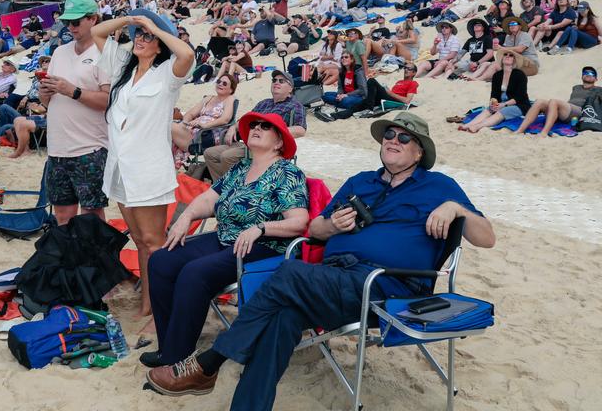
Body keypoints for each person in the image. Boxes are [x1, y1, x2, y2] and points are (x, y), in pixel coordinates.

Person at [145, 112, 495, 408]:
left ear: (419, 153)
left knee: (290, 272)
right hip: (335, 280)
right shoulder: (361, 182)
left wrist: (457, 208)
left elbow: (487, 238)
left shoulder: (438, 186)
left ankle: (209, 362)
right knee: (282, 315)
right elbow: (314, 228)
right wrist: (332, 224)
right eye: (389, 134)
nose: (393, 140)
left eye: (405, 138)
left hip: (388, 286)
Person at [142, 113, 308, 367]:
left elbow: (299, 221)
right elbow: (209, 199)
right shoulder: (240, 168)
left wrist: (261, 228)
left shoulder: (286, 173)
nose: (257, 128)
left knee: (194, 273)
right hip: (225, 239)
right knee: (162, 260)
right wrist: (186, 216)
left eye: (266, 127)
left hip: (262, 247)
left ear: (278, 143)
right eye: (254, 124)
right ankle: (168, 345)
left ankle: (178, 355)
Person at [91, 9, 195, 316]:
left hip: (149, 170)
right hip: (122, 168)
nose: (141, 39)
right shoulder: (125, 68)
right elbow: (97, 33)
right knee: (138, 240)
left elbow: (187, 53)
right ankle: (149, 304)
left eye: (148, 37)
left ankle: (156, 307)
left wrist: (155, 27)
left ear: (160, 44)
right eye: (139, 35)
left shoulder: (167, 76)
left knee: (153, 243)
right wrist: (129, 21)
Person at [38, 0, 112, 227]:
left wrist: (73, 91)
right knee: (62, 214)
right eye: (68, 22)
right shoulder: (60, 52)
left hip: (90, 147)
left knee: (91, 214)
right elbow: (48, 103)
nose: (71, 27)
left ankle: (96, 263)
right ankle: (71, 263)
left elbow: (109, 100)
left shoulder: (106, 53)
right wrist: (46, 92)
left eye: (76, 21)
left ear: (93, 19)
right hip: (58, 146)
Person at [203, 70, 307, 180]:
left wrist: (275, 132)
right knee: (210, 153)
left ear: (290, 88)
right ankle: (221, 187)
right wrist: (233, 128)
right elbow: (245, 119)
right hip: (249, 143)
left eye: (281, 81)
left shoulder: (295, 105)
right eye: (274, 80)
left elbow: (301, 129)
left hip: (268, 148)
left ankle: (232, 188)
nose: (276, 83)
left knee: (227, 157)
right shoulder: (264, 103)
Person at [458, 49, 531, 133]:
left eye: (511, 55)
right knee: (489, 109)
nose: (507, 56)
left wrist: (504, 105)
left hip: (519, 105)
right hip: (501, 103)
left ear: (514, 60)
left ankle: (478, 126)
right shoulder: (497, 75)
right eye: (505, 54)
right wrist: (493, 103)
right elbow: (494, 94)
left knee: (503, 111)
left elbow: (520, 96)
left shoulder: (520, 75)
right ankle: (468, 125)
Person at [171, 73, 237, 165]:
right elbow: (190, 113)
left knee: (169, 126)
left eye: (224, 83)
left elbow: (225, 119)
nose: (220, 84)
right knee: (169, 128)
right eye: (218, 81)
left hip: (204, 136)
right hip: (192, 130)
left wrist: (205, 125)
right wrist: (184, 122)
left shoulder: (230, 99)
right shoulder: (208, 98)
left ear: (231, 89)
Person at [515, 65, 597, 136]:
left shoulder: (598, 90)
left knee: (554, 101)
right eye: (585, 73)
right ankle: (520, 130)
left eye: (591, 74)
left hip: (580, 112)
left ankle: (544, 133)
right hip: (567, 111)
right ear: (582, 76)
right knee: (539, 101)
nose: (588, 75)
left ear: (596, 79)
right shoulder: (576, 87)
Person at [316, 52, 368, 120]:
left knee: (345, 101)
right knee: (324, 95)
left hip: (358, 96)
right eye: (342, 57)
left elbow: (362, 90)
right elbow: (340, 87)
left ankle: (338, 102)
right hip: (345, 94)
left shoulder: (358, 71)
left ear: (352, 60)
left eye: (346, 57)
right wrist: (339, 94)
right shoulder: (341, 72)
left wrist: (346, 95)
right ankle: (338, 101)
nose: (343, 59)